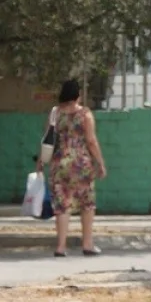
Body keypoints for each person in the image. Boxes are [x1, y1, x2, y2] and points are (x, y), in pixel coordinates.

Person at [45, 79, 107, 256]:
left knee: (62, 205)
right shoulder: (85, 114)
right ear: (78, 94)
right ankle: (87, 245)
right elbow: (91, 141)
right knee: (87, 203)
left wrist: (41, 162)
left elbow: (47, 140)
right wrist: (100, 162)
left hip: (59, 162)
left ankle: (61, 247)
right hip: (81, 163)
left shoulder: (55, 114)